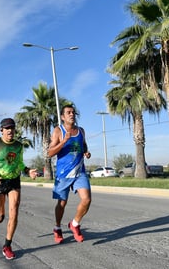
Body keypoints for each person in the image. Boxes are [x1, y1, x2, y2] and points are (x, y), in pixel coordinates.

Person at [0, 117, 37, 260]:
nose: (10, 130)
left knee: (14, 212)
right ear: (1, 130)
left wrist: (27, 170)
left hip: (13, 181)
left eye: (12, 128)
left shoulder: (18, 146)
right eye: (7, 128)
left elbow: (19, 163)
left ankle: (7, 245)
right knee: (0, 218)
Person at [48, 104, 92, 244]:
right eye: (68, 112)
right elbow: (50, 153)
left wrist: (85, 151)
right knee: (62, 203)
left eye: (73, 112)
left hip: (79, 171)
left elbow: (83, 144)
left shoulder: (81, 131)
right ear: (62, 117)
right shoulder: (58, 131)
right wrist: (64, 141)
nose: (72, 114)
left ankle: (74, 224)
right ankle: (57, 227)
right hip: (63, 174)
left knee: (86, 199)